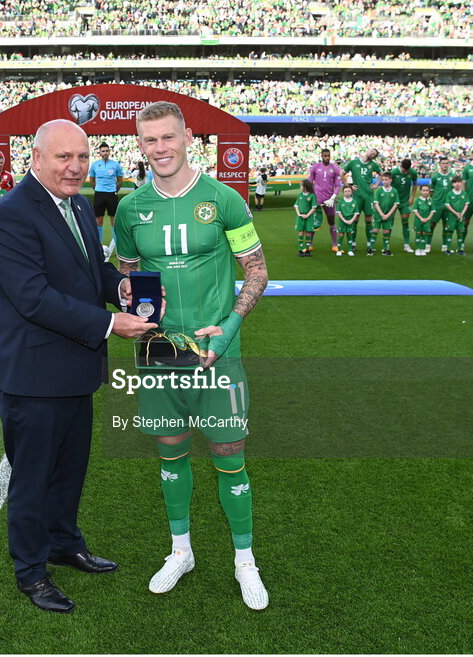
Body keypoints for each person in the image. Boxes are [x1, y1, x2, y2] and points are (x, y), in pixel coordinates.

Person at [0, 119, 151, 614]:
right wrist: (108, 324)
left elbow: (88, 267)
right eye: (64, 157)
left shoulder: (77, 203)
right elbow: (34, 298)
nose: (75, 167)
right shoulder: (12, 213)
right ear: (35, 158)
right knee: (34, 478)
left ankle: (63, 542)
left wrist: (115, 287)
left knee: (70, 469)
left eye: (81, 157)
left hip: (74, 369)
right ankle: (31, 573)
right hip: (34, 376)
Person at [114, 101, 271, 611]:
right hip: (159, 357)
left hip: (216, 356)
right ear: (140, 145)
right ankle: (181, 550)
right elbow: (128, 279)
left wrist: (229, 326)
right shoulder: (129, 208)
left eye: (167, 138)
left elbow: (257, 271)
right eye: (149, 141)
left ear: (187, 138)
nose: (160, 148)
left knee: (229, 454)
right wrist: (128, 309)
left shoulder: (223, 199)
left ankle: (244, 560)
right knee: (169, 448)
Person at [88, 142, 125, 259]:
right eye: (103, 151)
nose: (105, 153)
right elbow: (92, 181)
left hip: (111, 194)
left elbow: (120, 181)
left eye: (107, 151)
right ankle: (98, 247)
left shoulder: (115, 165)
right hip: (99, 194)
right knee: (98, 221)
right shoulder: (94, 165)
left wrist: (114, 190)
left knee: (114, 221)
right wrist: (98, 189)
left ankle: (119, 248)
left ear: (109, 152)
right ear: (99, 152)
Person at [343, 148, 381, 255]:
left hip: (369, 196)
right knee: (355, 219)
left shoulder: (373, 165)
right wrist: (348, 186)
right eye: (372, 151)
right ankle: (353, 243)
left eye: (374, 154)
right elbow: (342, 173)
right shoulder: (353, 162)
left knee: (368, 219)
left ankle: (369, 244)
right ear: (368, 151)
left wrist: (376, 184)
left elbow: (382, 174)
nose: (372, 154)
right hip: (357, 195)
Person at [307, 148, 342, 252]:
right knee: (314, 222)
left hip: (329, 200)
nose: (327, 157)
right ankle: (309, 244)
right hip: (317, 199)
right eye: (325, 156)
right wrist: (310, 196)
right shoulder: (315, 167)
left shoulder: (335, 169)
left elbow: (338, 185)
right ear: (321, 156)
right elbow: (309, 182)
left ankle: (334, 245)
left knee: (331, 221)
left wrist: (333, 197)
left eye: (329, 156)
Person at [429, 157, 455, 253]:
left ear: (449, 164)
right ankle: (428, 244)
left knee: (446, 226)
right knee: (432, 225)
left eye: (447, 163)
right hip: (437, 204)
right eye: (443, 163)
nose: (445, 165)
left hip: (448, 205)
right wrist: (436, 200)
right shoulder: (435, 176)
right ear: (439, 165)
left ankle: (445, 245)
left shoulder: (452, 176)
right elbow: (431, 191)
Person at [391, 158, 418, 253]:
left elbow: (415, 184)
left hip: (405, 201)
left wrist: (412, 197)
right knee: (390, 222)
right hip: (393, 200)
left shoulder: (413, 172)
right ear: (401, 166)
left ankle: (406, 245)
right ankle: (386, 244)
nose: (405, 172)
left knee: (405, 220)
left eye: (407, 170)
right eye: (404, 170)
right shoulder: (393, 172)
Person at [372, 171, 399, 256]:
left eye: (386, 180)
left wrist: (387, 215)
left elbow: (396, 204)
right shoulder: (379, 191)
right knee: (375, 230)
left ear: (391, 180)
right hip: (378, 215)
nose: (384, 181)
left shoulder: (394, 191)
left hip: (388, 215)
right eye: (383, 180)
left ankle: (385, 249)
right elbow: (376, 203)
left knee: (386, 231)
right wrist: (382, 214)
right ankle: (371, 248)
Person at [444, 176, 469, 255]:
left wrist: (462, 213)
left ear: (461, 183)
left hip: (461, 216)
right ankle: (448, 249)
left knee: (460, 232)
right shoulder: (450, 193)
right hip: (452, 216)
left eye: (459, 182)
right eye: (455, 182)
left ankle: (460, 249)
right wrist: (455, 213)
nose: (457, 184)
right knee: (450, 231)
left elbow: (466, 204)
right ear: (452, 184)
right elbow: (447, 205)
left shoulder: (464, 193)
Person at [294, 178, 318, 256]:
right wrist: (299, 214)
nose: (300, 187)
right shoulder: (300, 195)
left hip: (309, 217)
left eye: (301, 186)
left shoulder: (312, 196)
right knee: (301, 232)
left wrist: (307, 215)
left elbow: (314, 207)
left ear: (305, 186)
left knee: (308, 233)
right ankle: (300, 250)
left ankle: (307, 250)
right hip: (300, 217)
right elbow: (296, 206)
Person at [335, 183, 360, 256]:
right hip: (342, 221)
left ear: (351, 192)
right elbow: (339, 213)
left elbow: (356, 213)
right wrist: (344, 220)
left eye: (349, 191)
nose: (347, 193)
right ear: (343, 192)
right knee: (341, 234)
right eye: (345, 191)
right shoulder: (341, 202)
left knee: (349, 235)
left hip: (350, 221)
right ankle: (339, 250)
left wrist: (351, 220)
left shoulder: (354, 202)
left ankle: (350, 250)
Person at [411, 184, 436, 255]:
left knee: (424, 234)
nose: (425, 192)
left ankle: (422, 249)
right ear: (420, 191)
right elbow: (415, 210)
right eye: (423, 190)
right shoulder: (417, 200)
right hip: (418, 220)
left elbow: (432, 211)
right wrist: (421, 218)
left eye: (427, 190)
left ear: (429, 191)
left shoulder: (431, 200)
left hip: (427, 220)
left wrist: (428, 218)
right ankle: (417, 249)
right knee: (418, 233)